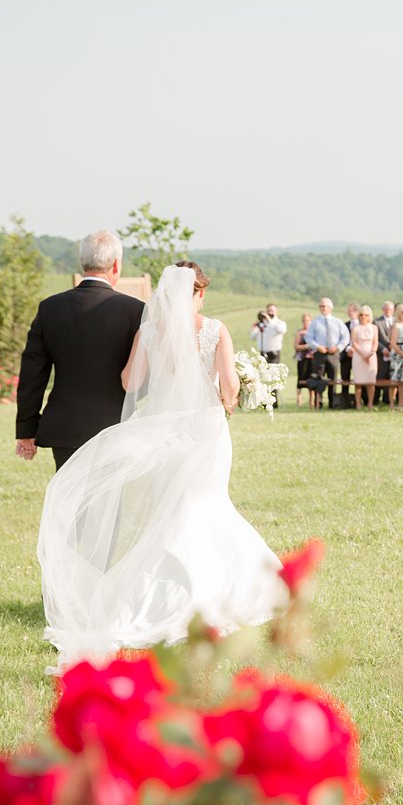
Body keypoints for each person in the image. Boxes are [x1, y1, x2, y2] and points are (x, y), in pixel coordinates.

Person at [38, 261, 285, 669]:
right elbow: (228, 388)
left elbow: (130, 383)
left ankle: (166, 592)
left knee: (170, 513)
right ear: (199, 292)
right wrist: (238, 389)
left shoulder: (149, 330)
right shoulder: (214, 330)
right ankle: (213, 593)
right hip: (206, 431)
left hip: (163, 435)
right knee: (207, 505)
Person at [16, 230, 147, 470]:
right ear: (116, 265)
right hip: (116, 427)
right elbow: (142, 377)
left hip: (65, 428)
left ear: (83, 263)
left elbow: (32, 375)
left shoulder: (50, 308)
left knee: (70, 505)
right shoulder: (136, 311)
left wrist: (26, 430)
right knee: (110, 505)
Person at [304, 298, 349, 409]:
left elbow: (345, 337)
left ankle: (332, 402)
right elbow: (308, 337)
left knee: (332, 378)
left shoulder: (338, 322)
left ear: (330, 308)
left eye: (325, 306)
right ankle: (318, 403)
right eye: (321, 306)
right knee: (318, 379)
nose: (323, 308)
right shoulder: (315, 322)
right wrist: (317, 347)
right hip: (319, 353)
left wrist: (337, 347)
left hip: (333, 354)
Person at [349, 306, 378, 409]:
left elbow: (375, 343)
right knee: (359, 381)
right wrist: (363, 355)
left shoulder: (374, 328)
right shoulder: (355, 328)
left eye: (366, 315)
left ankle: (370, 403)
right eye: (361, 315)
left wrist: (370, 354)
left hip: (371, 356)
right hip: (358, 356)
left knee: (371, 382)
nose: (363, 317)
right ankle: (358, 404)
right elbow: (354, 343)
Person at [373, 301, 396, 406]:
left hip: (395, 354)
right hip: (381, 354)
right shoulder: (376, 322)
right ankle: (375, 399)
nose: (388, 311)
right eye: (386, 309)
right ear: (383, 310)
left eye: (390, 309)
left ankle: (388, 399)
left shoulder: (396, 322)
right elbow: (375, 339)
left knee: (392, 376)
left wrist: (394, 348)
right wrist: (383, 349)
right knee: (380, 376)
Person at [293, 312, 313, 407]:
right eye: (304, 321)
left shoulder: (313, 332)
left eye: (308, 320)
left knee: (311, 379)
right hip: (302, 359)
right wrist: (306, 346)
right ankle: (299, 399)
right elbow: (296, 346)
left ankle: (311, 400)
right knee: (301, 378)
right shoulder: (299, 333)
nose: (306, 322)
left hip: (312, 359)